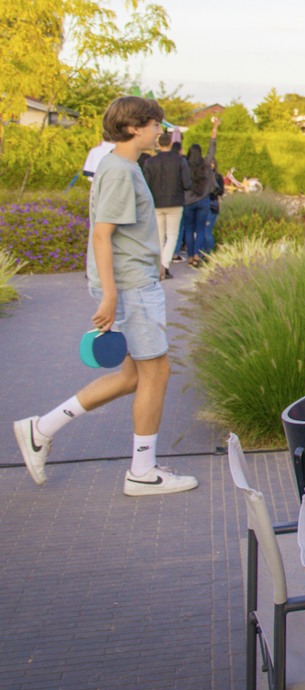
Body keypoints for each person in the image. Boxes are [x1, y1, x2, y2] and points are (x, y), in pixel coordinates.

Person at [12, 96, 198, 496]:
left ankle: (40, 429)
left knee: (134, 375)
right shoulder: (119, 171)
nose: (160, 132)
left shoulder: (122, 166)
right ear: (134, 127)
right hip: (130, 286)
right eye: (155, 125)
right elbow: (102, 233)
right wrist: (110, 295)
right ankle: (142, 473)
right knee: (157, 372)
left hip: (132, 282)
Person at [140, 131, 190, 280]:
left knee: (159, 236)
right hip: (175, 202)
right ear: (170, 144)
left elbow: (145, 185)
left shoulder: (150, 162)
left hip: (156, 202)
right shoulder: (180, 161)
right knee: (172, 235)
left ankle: (158, 265)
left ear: (158, 144)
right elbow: (187, 184)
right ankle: (165, 264)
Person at [182, 117, 219, 268]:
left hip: (188, 201)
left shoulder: (184, 165)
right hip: (203, 200)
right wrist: (215, 127)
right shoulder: (205, 163)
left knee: (189, 230)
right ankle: (197, 256)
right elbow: (212, 147)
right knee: (201, 230)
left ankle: (190, 257)